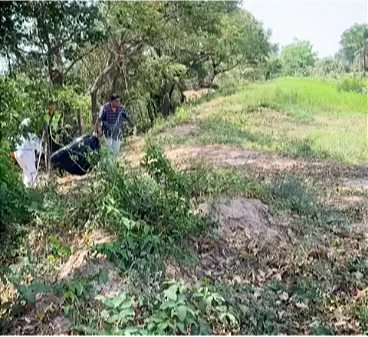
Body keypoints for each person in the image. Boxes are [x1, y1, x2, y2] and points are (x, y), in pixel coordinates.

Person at [14, 118, 41, 187]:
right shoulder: (32, 135)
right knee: (32, 172)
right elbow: (38, 147)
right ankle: (31, 190)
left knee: (26, 173)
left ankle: (25, 189)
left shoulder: (18, 136)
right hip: (26, 155)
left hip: (17, 156)